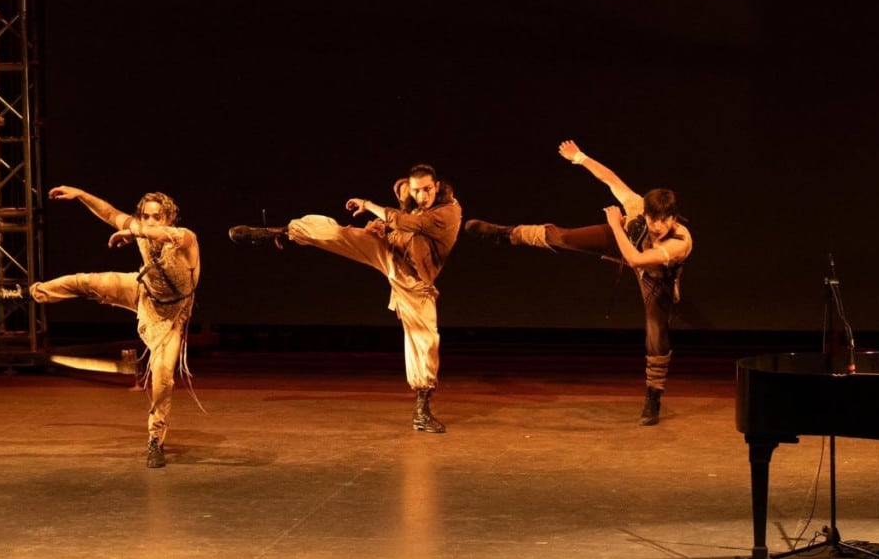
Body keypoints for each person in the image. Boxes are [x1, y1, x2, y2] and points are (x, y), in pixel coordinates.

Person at [464, 140, 692, 426]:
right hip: (628, 243)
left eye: (663, 221)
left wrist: (615, 225)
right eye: (652, 219)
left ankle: (653, 395)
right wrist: (580, 157)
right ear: (645, 213)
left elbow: (635, 260)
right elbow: (610, 179)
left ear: (673, 218)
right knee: (565, 237)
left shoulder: (680, 242)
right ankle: (508, 234)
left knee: (656, 333)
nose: (657, 226)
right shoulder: (637, 210)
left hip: (655, 276)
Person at [228, 163, 461, 433]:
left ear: (437, 187)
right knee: (343, 234)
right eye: (417, 190)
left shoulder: (448, 212)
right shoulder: (413, 204)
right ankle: (282, 232)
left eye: (427, 190)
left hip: (415, 282)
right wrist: (381, 227)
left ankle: (422, 410)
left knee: (424, 341)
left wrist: (370, 206)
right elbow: (400, 226)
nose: (422, 196)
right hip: (390, 254)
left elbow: (408, 223)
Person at [0, 187, 201, 467]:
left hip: (170, 316)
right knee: (86, 282)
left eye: (157, 216)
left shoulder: (185, 239)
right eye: (145, 216)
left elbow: (162, 235)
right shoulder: (141, 231)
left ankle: (155, 440)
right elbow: (110, 214)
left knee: (163, 376)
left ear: (169, 218)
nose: (150, 221)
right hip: (142, 291)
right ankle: (26, 293)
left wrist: (135, 231)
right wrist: (81, 195)